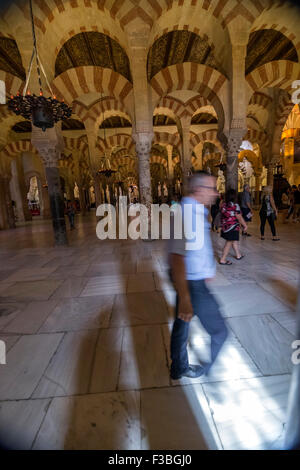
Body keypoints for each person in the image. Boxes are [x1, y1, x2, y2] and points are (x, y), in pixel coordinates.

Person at [168, 171, 228, 380]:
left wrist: (208, 266)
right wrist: (185, 298)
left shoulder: (196, 211)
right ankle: (209, 371)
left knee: (181, 324)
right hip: (192, 283)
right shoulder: (185, 214)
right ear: (200, 189)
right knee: (220, 332)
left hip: (194, 279)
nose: (216, 193)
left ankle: (178, 367)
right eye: (212, 188)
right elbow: (176, 257)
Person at [219, 189, 247, 265]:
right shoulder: (235, 205)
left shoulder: (223, 204)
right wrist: (245, 225)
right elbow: (239, 217)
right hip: (232, 227)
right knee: (229, 243)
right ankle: (223, 259)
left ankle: (238, 255)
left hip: (225, 227)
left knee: (234, 240)